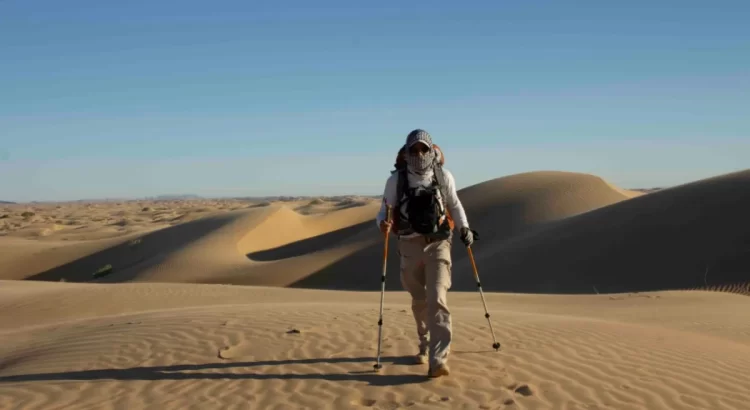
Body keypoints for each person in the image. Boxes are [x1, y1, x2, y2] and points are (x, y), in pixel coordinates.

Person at [375, 129, 476, 378]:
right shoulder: (396, 181)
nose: (419, 154)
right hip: (408, 245)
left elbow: (454, 203)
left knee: (437, 297)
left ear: (432, 151)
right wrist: (383, 224)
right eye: (414, 150)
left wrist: (464, 228)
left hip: (439, 242)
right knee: (419, 299)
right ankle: (425, 341)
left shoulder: (443, 176)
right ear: (407, 153)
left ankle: (438, 359)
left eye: (423, 149)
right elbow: (384, 210)